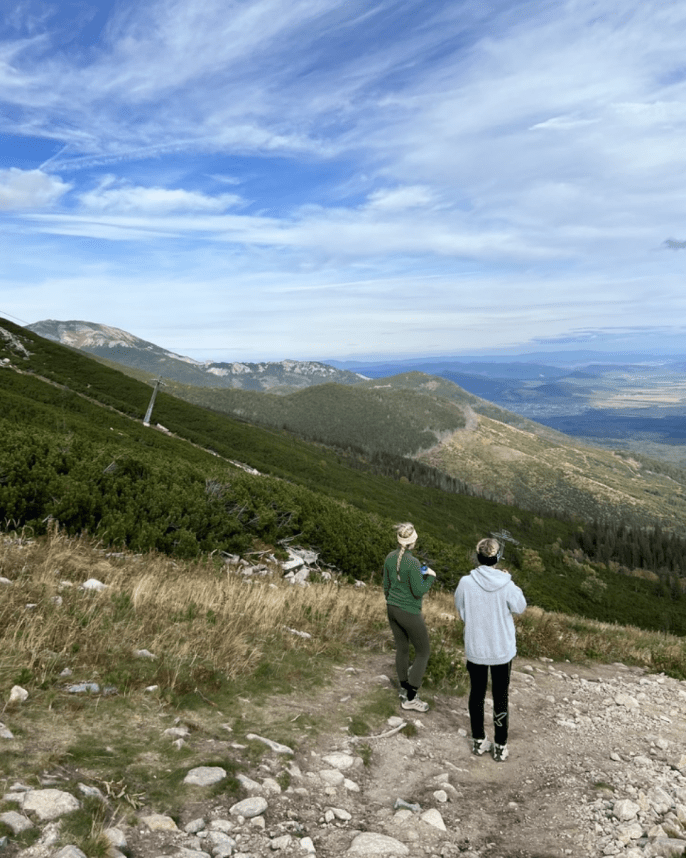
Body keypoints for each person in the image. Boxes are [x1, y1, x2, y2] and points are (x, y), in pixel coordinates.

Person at [454, 537, 526, 762]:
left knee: (476, 693)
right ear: (497, 557)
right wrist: (509, 580)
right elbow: (520, 607)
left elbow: (461, 608)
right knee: (500, 696)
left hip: (476, 646)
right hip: (501, 648)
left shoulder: (466, 582)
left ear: (478, 556)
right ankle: (501, 745)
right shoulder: (507, 584)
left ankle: (478, 740)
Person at [383, 522, 436, 712]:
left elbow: (386, 587)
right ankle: (411, 698)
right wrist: (430, 576)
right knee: (423, 652)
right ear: (413, 541)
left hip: (392, 608)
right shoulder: (412, 562)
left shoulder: (390, 557)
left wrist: (394, 601)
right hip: (409, 611)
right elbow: (418, 591)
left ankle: (403, 688)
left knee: (402, 648)